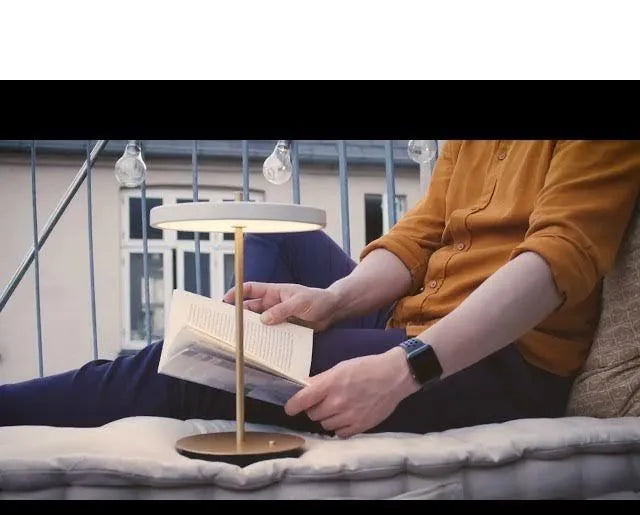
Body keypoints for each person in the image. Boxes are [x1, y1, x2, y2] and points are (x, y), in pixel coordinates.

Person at [2, 140, 639, 438]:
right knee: (272, 237)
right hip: (411, 318)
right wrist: (331, 302)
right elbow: (419, 236)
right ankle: (246, 362)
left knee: (197, 362)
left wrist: (402, 370)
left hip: (496, 358)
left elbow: (558, 262)